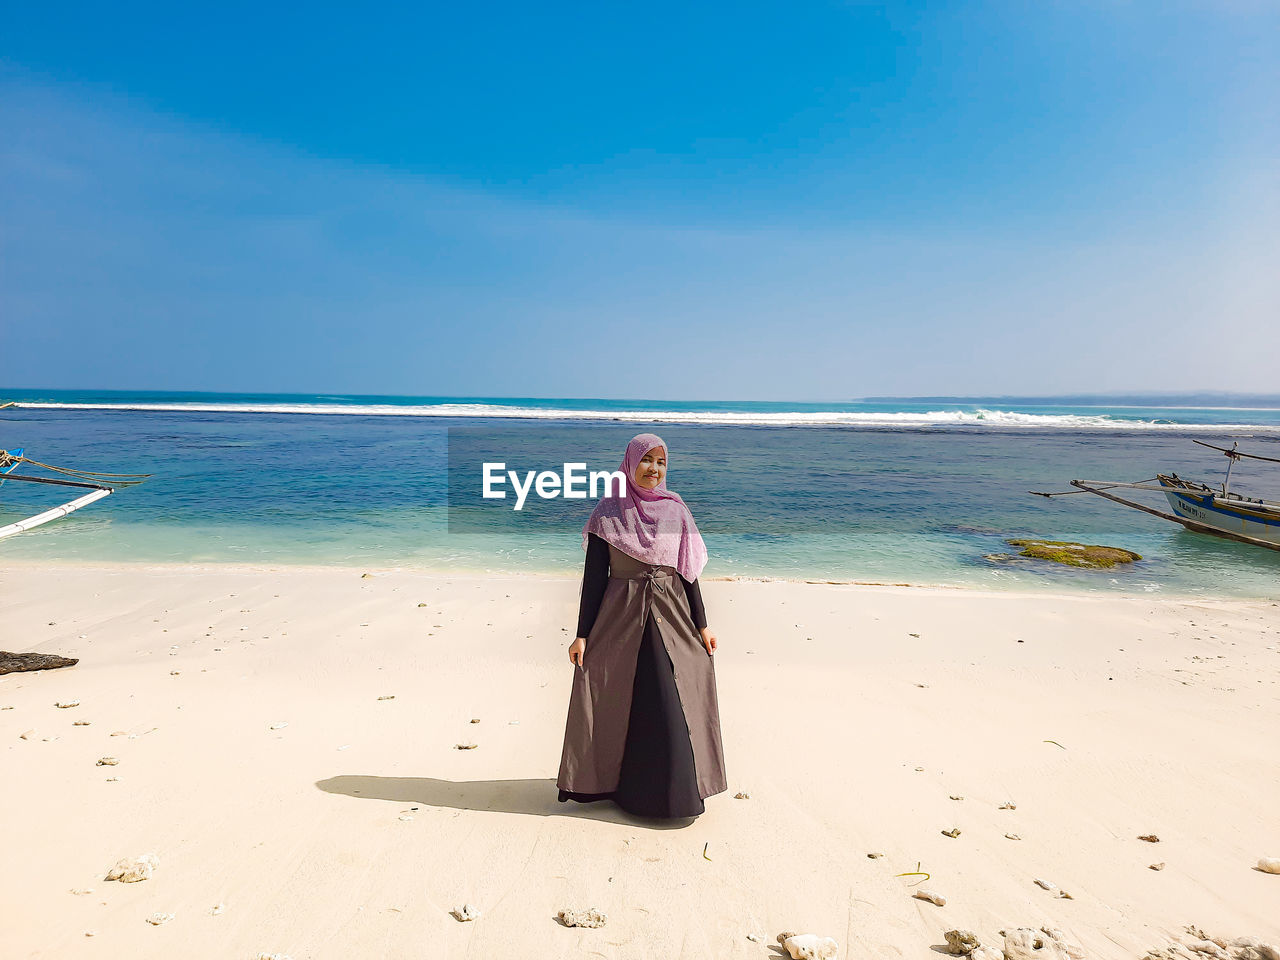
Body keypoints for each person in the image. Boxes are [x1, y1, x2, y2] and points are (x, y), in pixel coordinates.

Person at [556, 433, 727, 819]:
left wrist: (703, 625)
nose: (653, 468)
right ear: (630, 463)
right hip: (621, 615)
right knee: (623, 698)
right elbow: (595, 577)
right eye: (646, 460)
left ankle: (678, 795)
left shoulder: (676, 509)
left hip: (673, 613)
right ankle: (619, 788)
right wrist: (582, 633)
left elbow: (688, 572)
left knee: (676, 696)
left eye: (661, 462)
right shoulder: (607, 512)